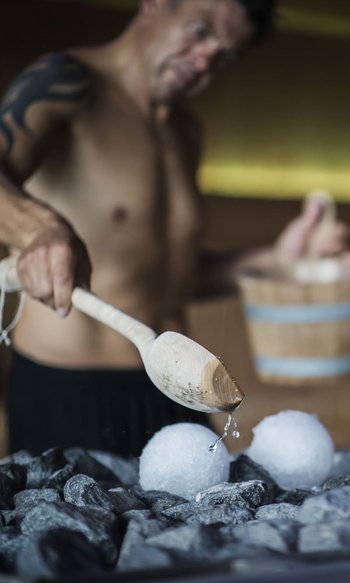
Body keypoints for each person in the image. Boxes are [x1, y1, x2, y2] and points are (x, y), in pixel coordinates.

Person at [0, 0, 347, 457]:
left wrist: (281, 260)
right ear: (155, 5)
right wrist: (38, 228)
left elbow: (171, 275)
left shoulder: (185, 130)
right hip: (72, 391)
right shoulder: (67, 82)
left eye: (225, 55)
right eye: (200, 30)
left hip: (178, 388)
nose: (205, 60)